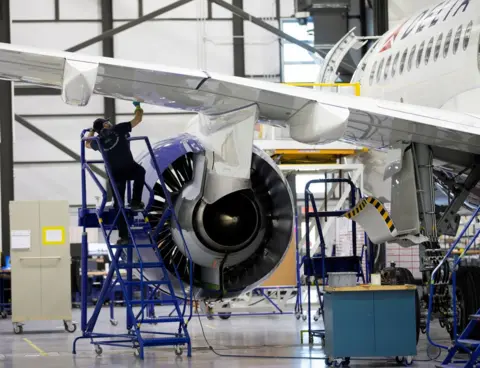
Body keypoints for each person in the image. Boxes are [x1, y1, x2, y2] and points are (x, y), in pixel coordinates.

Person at [85, 101, 146, 245]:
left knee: (119, 206)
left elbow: (87, 143)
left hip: (115, 174)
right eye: (107, 123)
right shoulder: (119, 129)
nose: (109, 124)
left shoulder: (98, 141)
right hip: (129, 168)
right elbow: (138, 119)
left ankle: (124, 237)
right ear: (105, 125)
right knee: (141, 172)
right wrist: (138, 107)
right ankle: (136, 201)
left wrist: (92, 131)